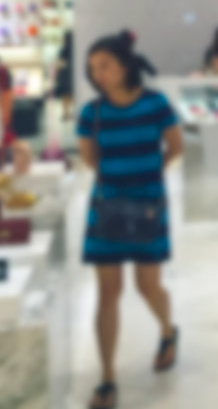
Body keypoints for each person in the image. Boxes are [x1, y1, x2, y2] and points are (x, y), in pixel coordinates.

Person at [76, 33, 184, 409]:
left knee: (148, 286)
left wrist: (150, 175)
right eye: (92, 69)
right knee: (108, 294)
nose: (98, 74)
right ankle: (107, 378)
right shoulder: (92, 112)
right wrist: (121, 179)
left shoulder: (155, 104)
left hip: (148, 207)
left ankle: (168, 332)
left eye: (104, 65)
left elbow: (176, 145)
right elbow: (89, 158)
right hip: (106, 208)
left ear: (125, 65)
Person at [54, 32, 74, 121]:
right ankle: (73, 112)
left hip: (65, 73)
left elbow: (60, 62)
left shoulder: (64, 49)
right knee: (73, 93)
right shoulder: (76, 47)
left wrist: (56, 73)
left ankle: (66, 113)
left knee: (65, 95)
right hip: (74, 72)